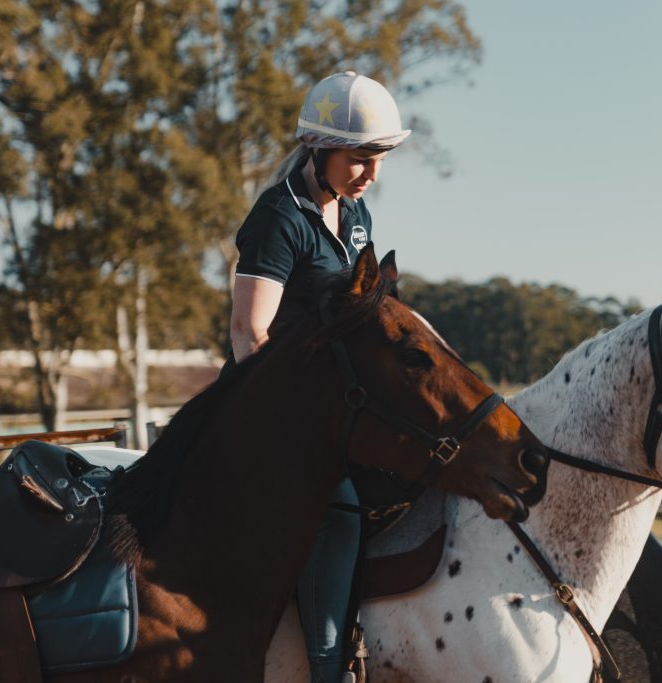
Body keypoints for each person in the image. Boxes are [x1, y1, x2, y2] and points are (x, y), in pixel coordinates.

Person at [230, 71, 410, 683]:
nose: (371, 175)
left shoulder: (356, 216)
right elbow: (249, 333)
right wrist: (285, 428)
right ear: (320, 148)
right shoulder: (279, 217)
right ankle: (330, 664)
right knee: (339, 511)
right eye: (360, 160)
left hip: (342, 406)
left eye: (377, 160)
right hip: (280, 414)